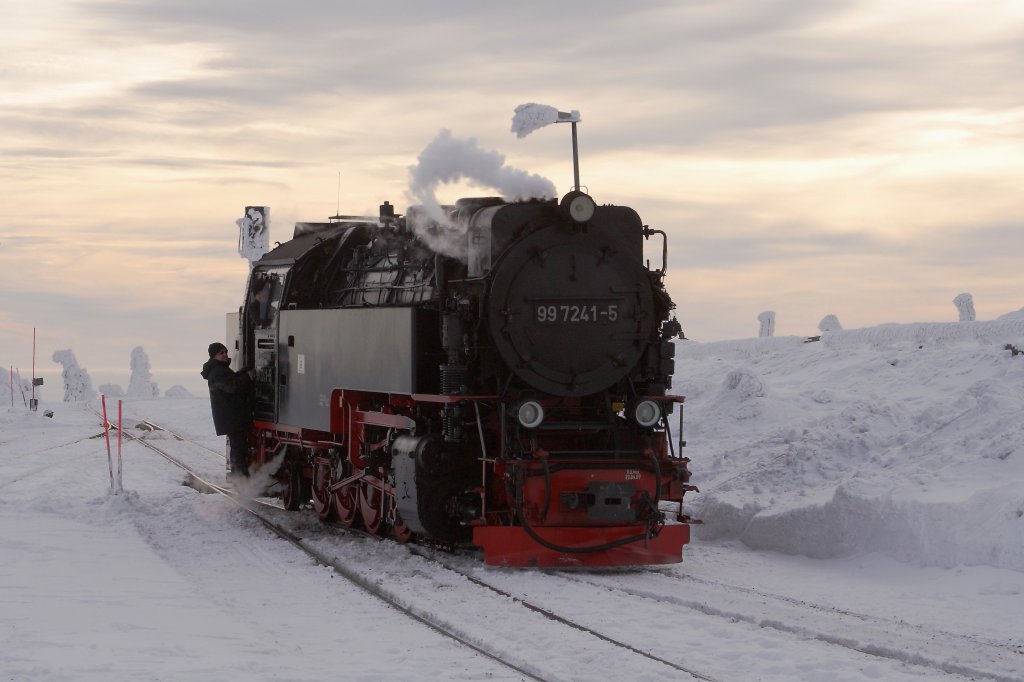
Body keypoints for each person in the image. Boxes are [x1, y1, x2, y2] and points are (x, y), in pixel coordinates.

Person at [200, 342, 255, 477]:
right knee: (238, 447)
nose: (225, 354)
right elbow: (231, 386)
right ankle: (239, 477)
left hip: (231, 415)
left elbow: (231, 380)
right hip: (231, 416)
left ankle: (239, 475)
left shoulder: (219, 370)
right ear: (214, 355)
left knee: (238, 446)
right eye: (221, 352)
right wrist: (247, 376)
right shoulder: (217, 372)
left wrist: (241, 372)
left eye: (226, 352)